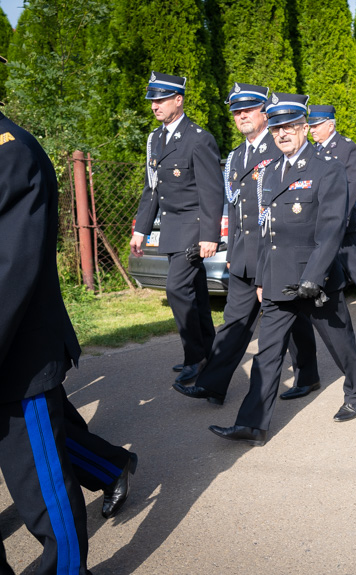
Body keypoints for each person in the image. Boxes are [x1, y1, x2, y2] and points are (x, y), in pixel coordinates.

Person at [0, 67, 136, 573]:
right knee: (47, 449)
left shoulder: (9, 151)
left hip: (16, 356)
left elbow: (8, 272)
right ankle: (113, 464)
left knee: (43, 489)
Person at [208, 92, 356, 446]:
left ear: (303, 128)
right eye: (277, 127)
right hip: (279, 278)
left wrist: (313, 276)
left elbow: (330, 230)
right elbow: (267, 234)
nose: (282, 134)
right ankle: (252, 424)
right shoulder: (269, 174)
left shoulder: (328, 169)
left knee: (340, 344)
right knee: (268, 353)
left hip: (317, 279)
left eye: (290, 127)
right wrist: (263, 279)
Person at [173, 83, 319, 406]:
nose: (242, 116)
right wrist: (230, 248)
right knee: (235, 321)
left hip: (275, 252)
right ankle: (212, 384)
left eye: (248, 109)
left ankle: (310, 375)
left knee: (291, 319)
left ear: (264, 113)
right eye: (237, 111)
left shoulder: (280, 148)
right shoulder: (237, 157)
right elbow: (234, 207)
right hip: (243, 254)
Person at [131, 72, 223, 385]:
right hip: (171, 227)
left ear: (178, 100)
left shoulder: (198, 137)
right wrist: (141, 230)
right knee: (194, 292)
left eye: (161, 100)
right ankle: (207, 351)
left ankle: (195, 357)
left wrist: (211, 234)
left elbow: (212, 190)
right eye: (152, 101)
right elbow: (152, 188)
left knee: (176, 289)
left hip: (193, 227)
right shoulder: (155, 139)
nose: (155, 106)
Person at [307, 104, 356, 302]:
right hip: (318, 221)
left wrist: (339, 218)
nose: (312, 130)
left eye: (316, 126)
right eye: (311, 126)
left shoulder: (346, 148)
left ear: (330, 125)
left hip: (340, 222)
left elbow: (352, 186)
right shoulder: (312, 150)